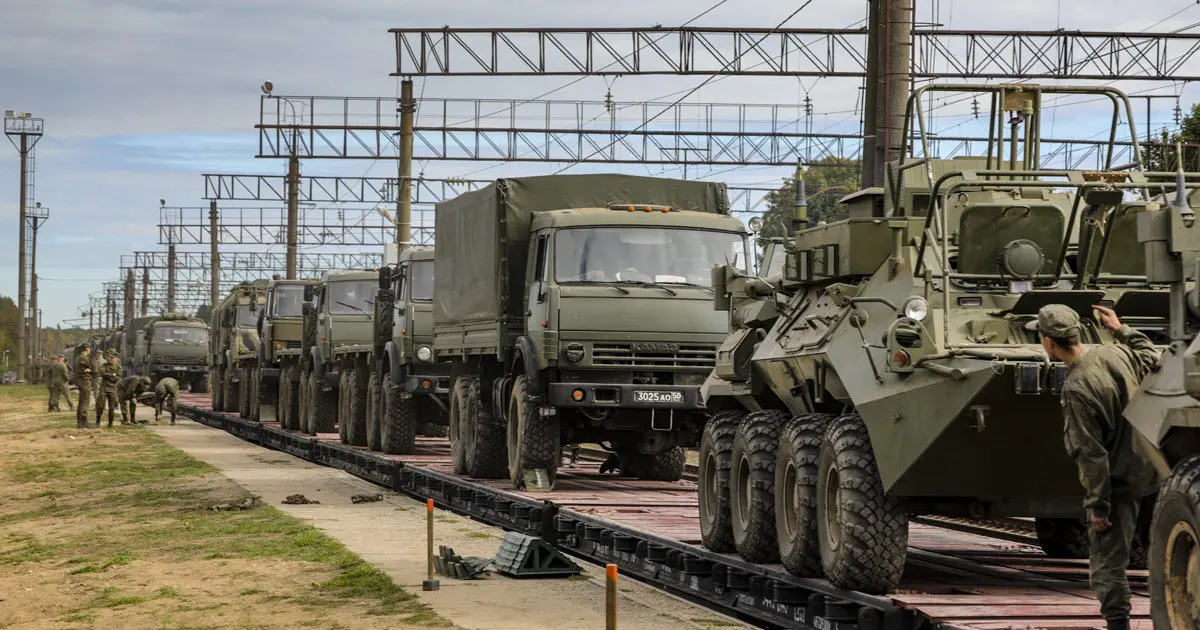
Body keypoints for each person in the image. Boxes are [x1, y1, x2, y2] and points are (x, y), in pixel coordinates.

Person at [1027, 304, 1163, 630]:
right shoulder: (1116, 353)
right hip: (1156, 468)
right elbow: (1151, 356)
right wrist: (1120, 328)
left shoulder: (1077, 387)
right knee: (1164, 553)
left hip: (1121, 480)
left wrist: (1098, 507)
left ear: (1048, 341)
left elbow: (1091, 454)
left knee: (1108, 562)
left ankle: (1118, 624)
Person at [95, 353, 122, 427]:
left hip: (113, 388)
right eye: (109, 358)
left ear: (115, 358)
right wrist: (112, 374)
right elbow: (102, 374)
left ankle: (110, 423)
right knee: (100, 405)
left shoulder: (118, 367)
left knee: (112, 407)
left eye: (112, 358)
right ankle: (97, 422)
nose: (111, 359)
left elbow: (117, 378)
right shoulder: (103, 365)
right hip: (104, 388)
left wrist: (109, 375)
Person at [73, 345, 94, 429]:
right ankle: (84, 422)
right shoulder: (84, 358)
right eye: (89, 349)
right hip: (85, 381)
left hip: (81, 381)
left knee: (81, 402)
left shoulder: (78, 358)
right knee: (85, 401)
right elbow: (93, 368)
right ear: (87, 349)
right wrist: (90, 369)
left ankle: (80, 422)